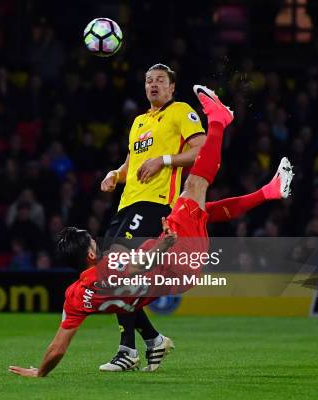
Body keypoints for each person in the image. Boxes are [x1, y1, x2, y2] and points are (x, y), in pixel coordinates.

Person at [8, 85, 295, 378]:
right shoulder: (110, 266)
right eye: (93, 239)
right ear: (91, 252)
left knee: (201, 210)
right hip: (175, 256)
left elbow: (57, 348)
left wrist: (40, 372)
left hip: (176, 276)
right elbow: (137, 265)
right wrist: (166, 243)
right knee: (194, 187)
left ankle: (269, 191)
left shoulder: (74, 297)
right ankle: (219, 119)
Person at [98, 63, 206, 372]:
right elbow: (133, 162)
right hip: (126, 206)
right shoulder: (139, 122)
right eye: (148, 80)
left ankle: (127, 351)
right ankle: (152, 340)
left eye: (160, 80)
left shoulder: (181, 111)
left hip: (156, 204)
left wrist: (166, 160)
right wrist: (114, 174)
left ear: (172, 87)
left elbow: (201, 150)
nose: (153, 84)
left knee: (117, 270)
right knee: (112, 275)